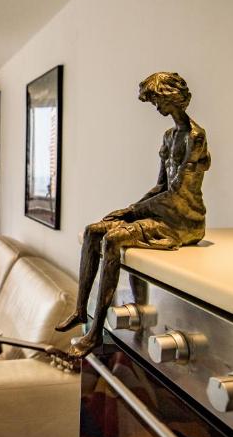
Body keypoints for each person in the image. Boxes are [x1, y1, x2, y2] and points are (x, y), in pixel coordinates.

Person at [56, 72, 210, 357]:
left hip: (182, 221)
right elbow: (161, 185)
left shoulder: (195, 137)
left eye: (156, 100)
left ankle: (95, 332)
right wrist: (130, 208)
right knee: (94, 229)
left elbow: (177, 192)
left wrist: (134, 211)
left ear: (169, 97)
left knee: (113, 240)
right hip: (163, 209)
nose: (155, 107)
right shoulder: (169, 136)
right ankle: (81, 311)